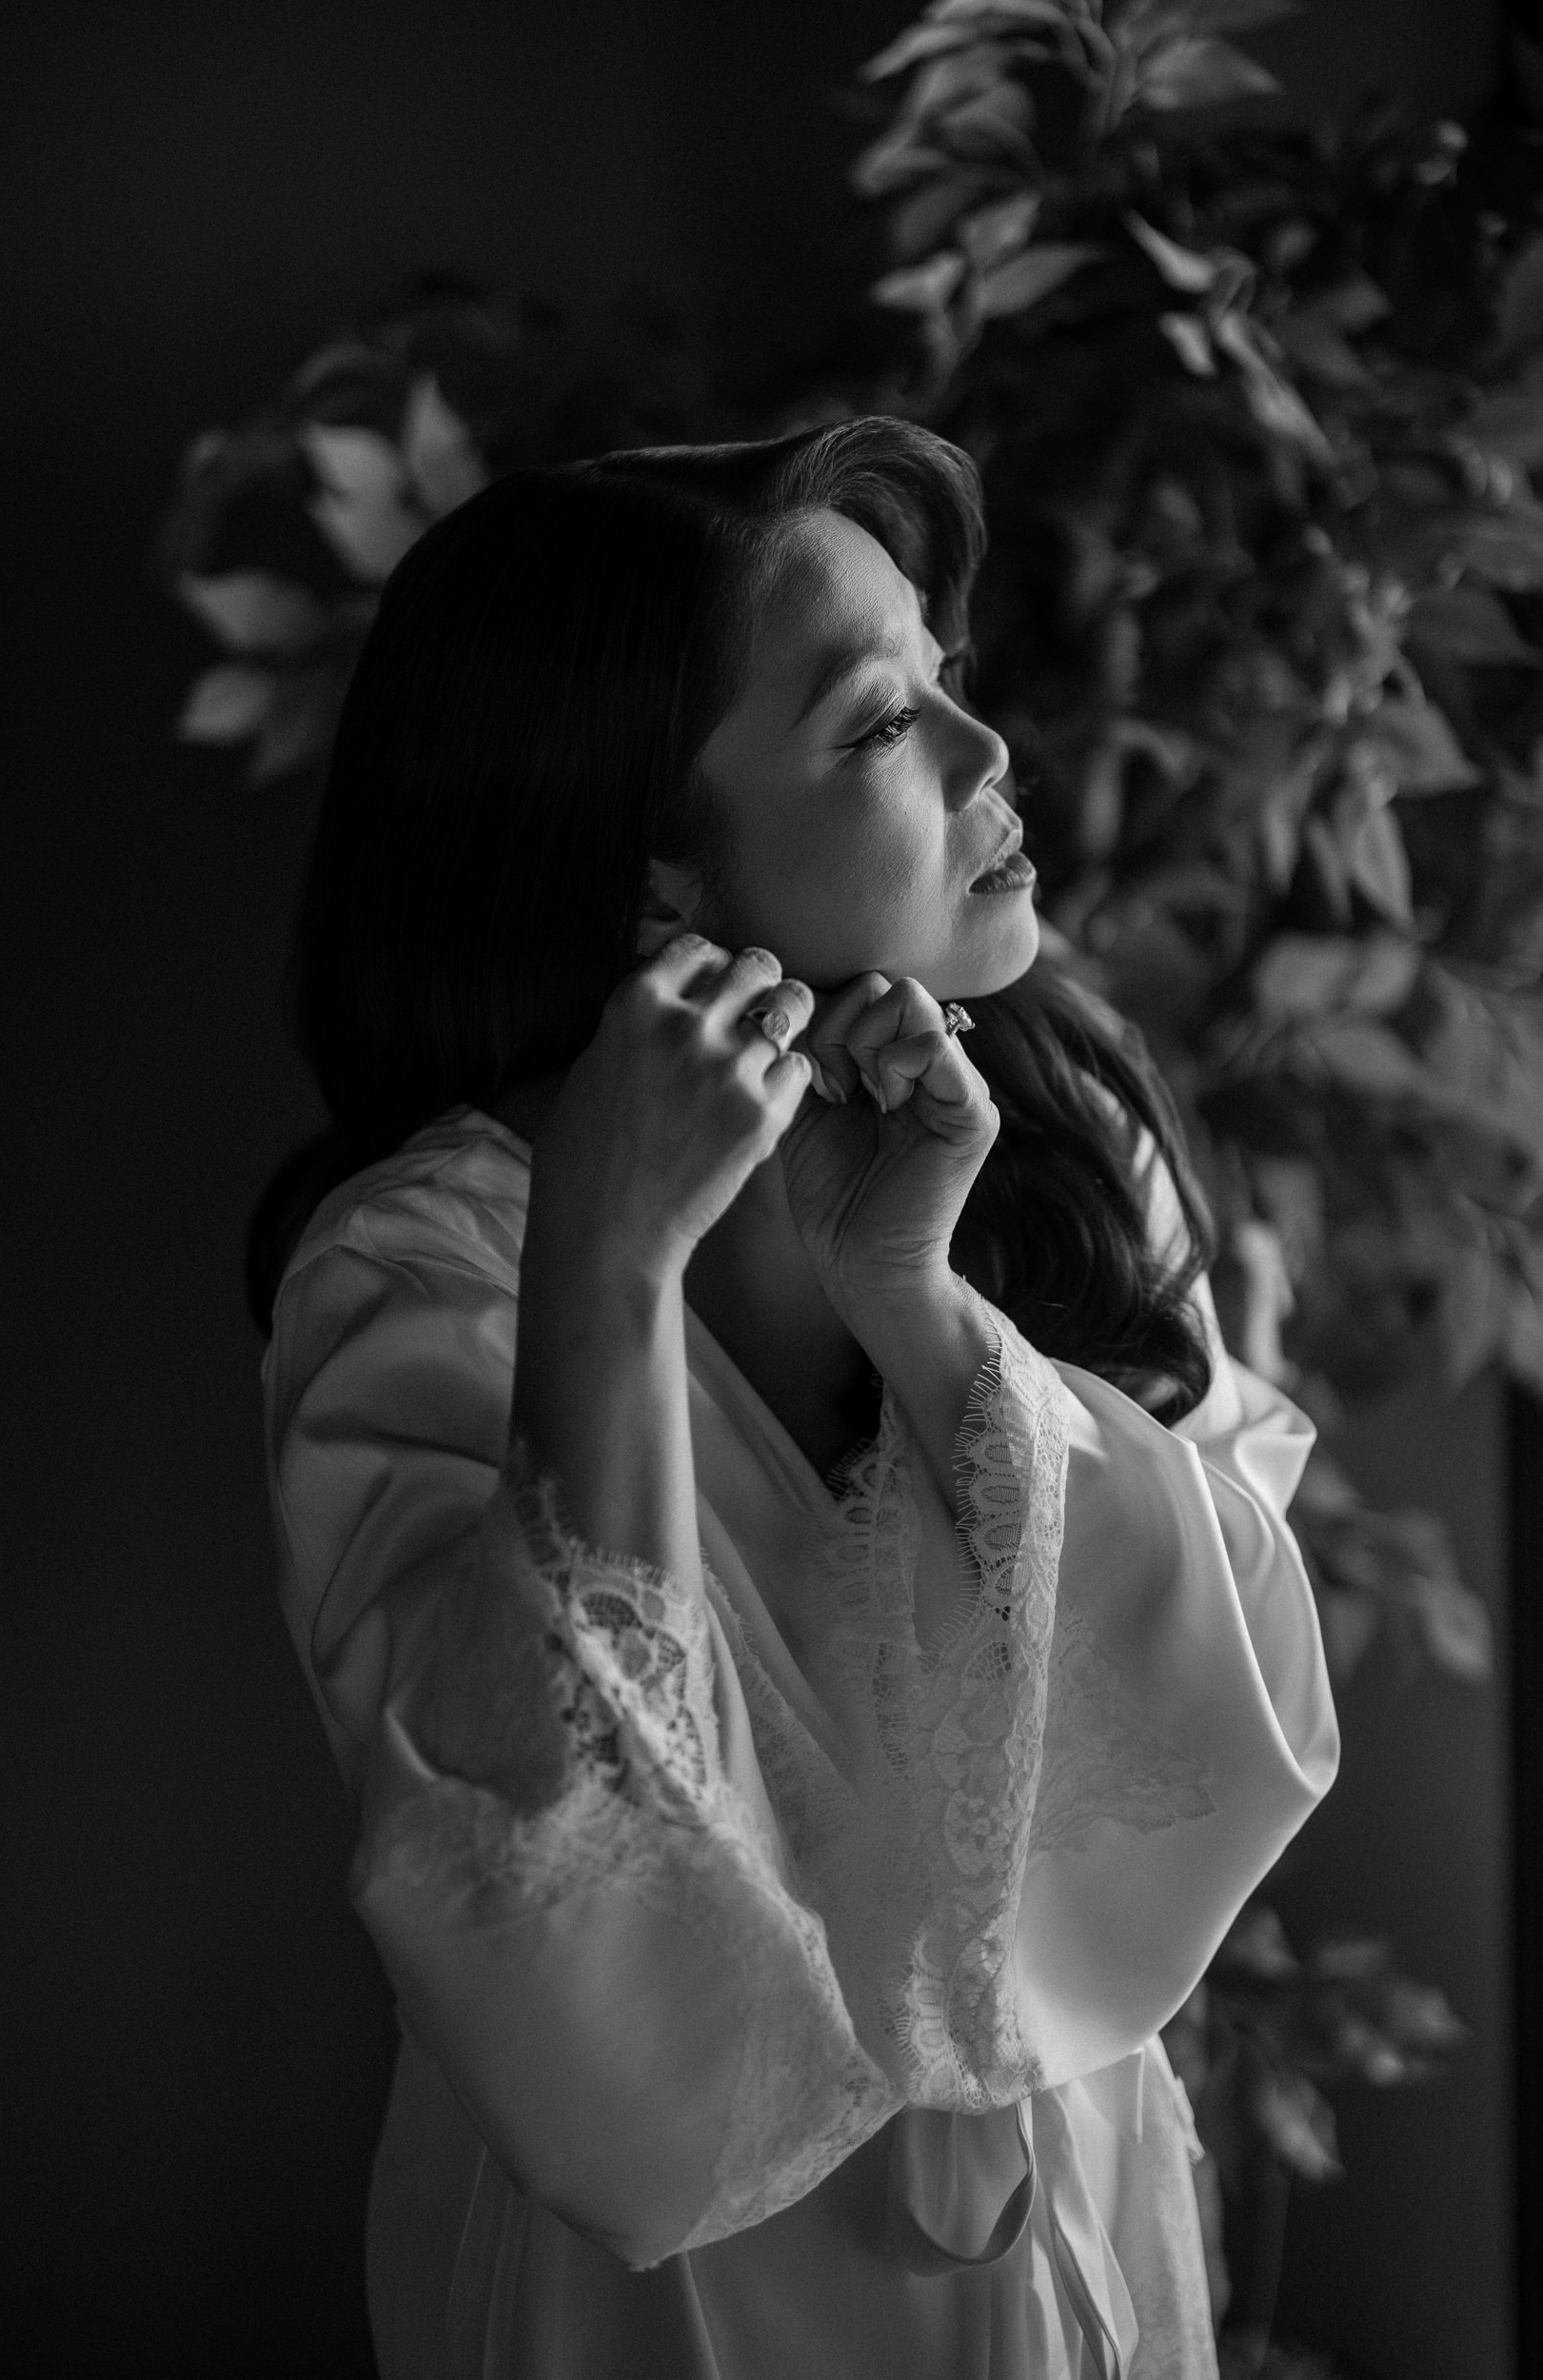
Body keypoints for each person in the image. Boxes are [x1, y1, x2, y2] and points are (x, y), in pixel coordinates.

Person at [258, 417, 1338, 2380]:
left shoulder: (1049, 1139)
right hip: (667, 2310)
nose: (987, 751)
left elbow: (1223, 1702)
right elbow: (569, 1965)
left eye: (945, 672)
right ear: (648, 863)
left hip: (1076, 2245)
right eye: (879, 723)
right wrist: (611, 1266)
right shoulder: (423, 1272)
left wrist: (915, 1302)